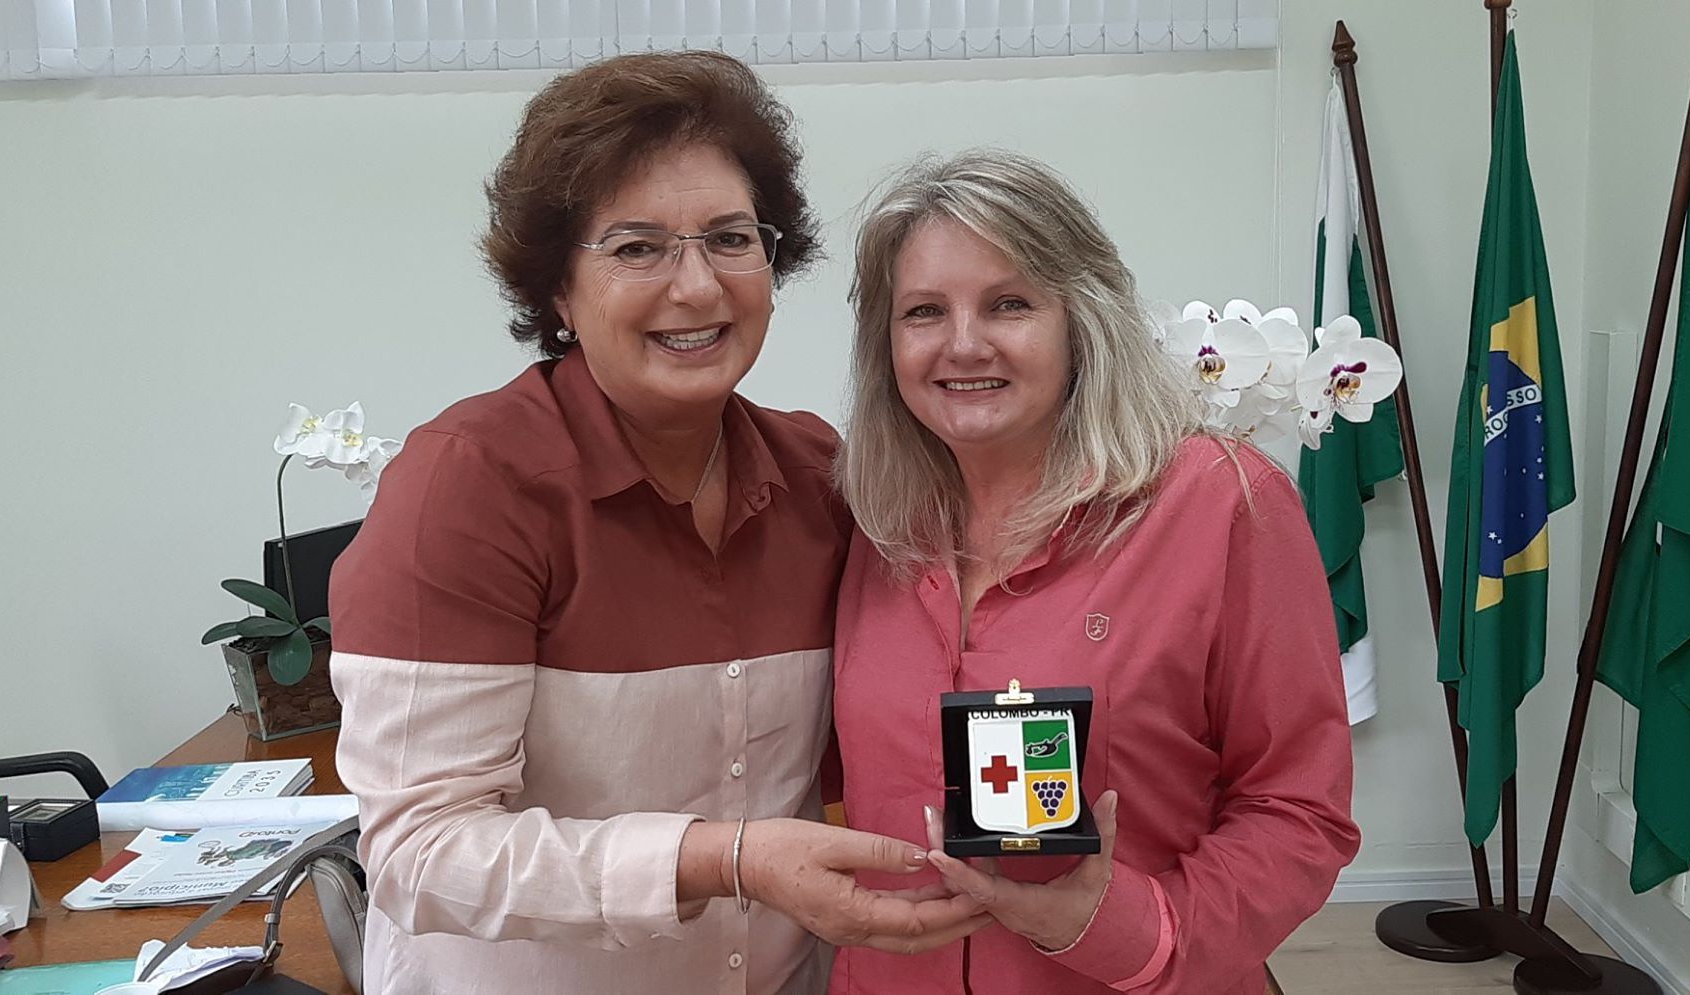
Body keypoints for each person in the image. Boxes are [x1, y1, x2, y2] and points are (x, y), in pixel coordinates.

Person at [329, 52, 984, 995]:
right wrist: (727, 858)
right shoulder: (468, 487)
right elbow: (420, 853)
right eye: (638, 248)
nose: (698, 286)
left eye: (730, 238)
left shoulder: (822, 479)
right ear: (558, 288)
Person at [828, 150, 1362, 994]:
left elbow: (1298, 810)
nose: (963, 343)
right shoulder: (872, 523)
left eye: (1009, 303)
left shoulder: (1223, 504)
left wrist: (1128, 930)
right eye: (923, 311)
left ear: (1083, 318)